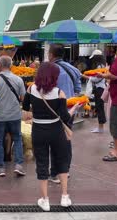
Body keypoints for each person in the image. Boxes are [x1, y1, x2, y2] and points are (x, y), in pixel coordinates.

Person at [22, 62, 80, 211]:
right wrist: (74, 108)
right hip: (56, 131)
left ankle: (45, 200)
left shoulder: (31, 89)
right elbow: (65, 118)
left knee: (41, 163)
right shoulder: (59, 93)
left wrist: (35, 115)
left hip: (38, 131)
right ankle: (65, 197)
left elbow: (25, 109)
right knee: (61, 161)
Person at [0, 55, 26, 177]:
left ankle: (0, 167)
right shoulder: (19, 80)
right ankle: (19, 165)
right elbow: (22, 98)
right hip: (14, 114)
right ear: (11, 66)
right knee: (17, 139)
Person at [47, 44, 81, 183]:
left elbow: (48, 90)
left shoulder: (51, 69)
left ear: (51, 54)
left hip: (55, 110)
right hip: (70, 109)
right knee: (66, 140)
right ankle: (65, 170)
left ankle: (55, 173)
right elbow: (78, 89)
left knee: (55, 142)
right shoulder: (73, 69)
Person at [82, 50, 107, 133]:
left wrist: (86, 77)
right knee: (99, 107)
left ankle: (100, 128)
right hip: (100, 88)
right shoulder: (103, 65)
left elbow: (97, 79)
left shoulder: (100, 66)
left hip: (99, 89)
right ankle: (100, 127)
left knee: (100, 108)